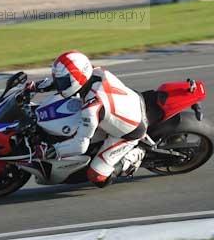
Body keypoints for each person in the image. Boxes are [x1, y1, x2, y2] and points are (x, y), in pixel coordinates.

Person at [31, 50, 148, 187]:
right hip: (127, 102)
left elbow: (80, 145)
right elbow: (60, 80)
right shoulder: (93, 73)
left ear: (78, 78)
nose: (59, 85)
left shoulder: (92, 108)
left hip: (130, 131)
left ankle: (135, 155)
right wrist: (34, 87)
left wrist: (52, 150)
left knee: (97, 176)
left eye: (63, 82)